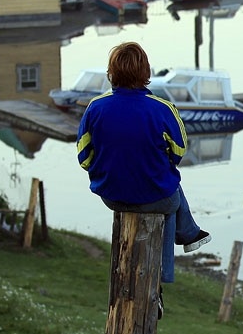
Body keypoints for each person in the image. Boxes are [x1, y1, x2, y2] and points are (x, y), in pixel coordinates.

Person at [76, 41, 210, 317]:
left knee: (167, 188)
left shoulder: (95, 107)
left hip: (111, 195)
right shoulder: (162, 109)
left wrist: (109, 170)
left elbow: (84, 156)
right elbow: (178, 152)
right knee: (169, 190)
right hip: (155, 197)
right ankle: (159, 283)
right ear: (145, 72)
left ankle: (188, 236)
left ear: (112, 72)